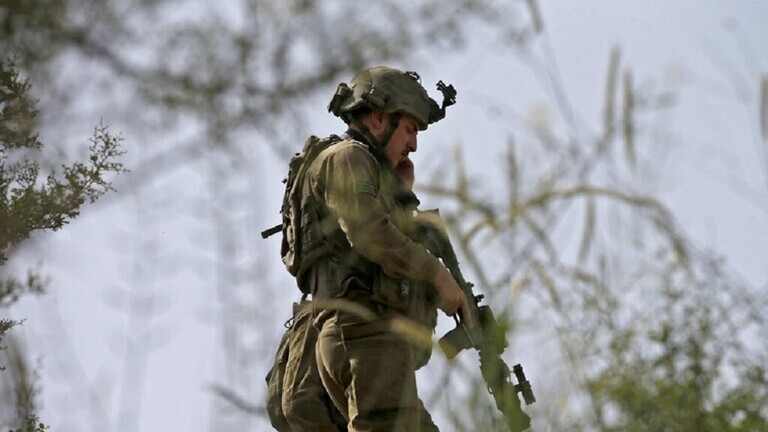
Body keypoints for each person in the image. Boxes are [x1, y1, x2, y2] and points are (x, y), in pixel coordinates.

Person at [284, 66, 471, 432]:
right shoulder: (346, 157)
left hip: (362, 337)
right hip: (366, 334)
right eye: (410, 129)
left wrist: (398, 195)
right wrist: (438, 275)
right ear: (379, 117)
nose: (414, 145)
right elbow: (370, 233)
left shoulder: (358, 164)